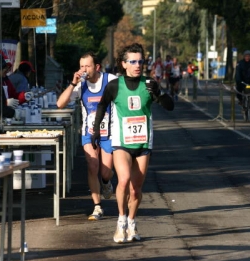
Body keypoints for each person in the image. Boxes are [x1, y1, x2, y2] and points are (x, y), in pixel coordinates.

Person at [91, 43, 174, 243]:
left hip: (144, 144)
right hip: (121, 142)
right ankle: (120, 222)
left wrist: (159, 93)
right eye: (133, 61)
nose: (138, 65)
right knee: (123, 179)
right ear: (123, 64)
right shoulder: (114, 85)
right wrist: (96, 129)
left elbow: (169, 106)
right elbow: (102, 106)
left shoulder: (148, 83)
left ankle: (132, 221)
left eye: (140, 61)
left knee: (136, 189)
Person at [57, 52, 117, 221]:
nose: (83, 70)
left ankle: (106, 182)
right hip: (88, 133)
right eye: (81, 66)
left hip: (108, 133)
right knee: (92, 166)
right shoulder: (80, 84)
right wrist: (72, 83)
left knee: (106, 172)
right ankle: (97, 207)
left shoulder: (110, 80)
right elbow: (60, 104)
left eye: (87, 66)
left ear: (96, 67)